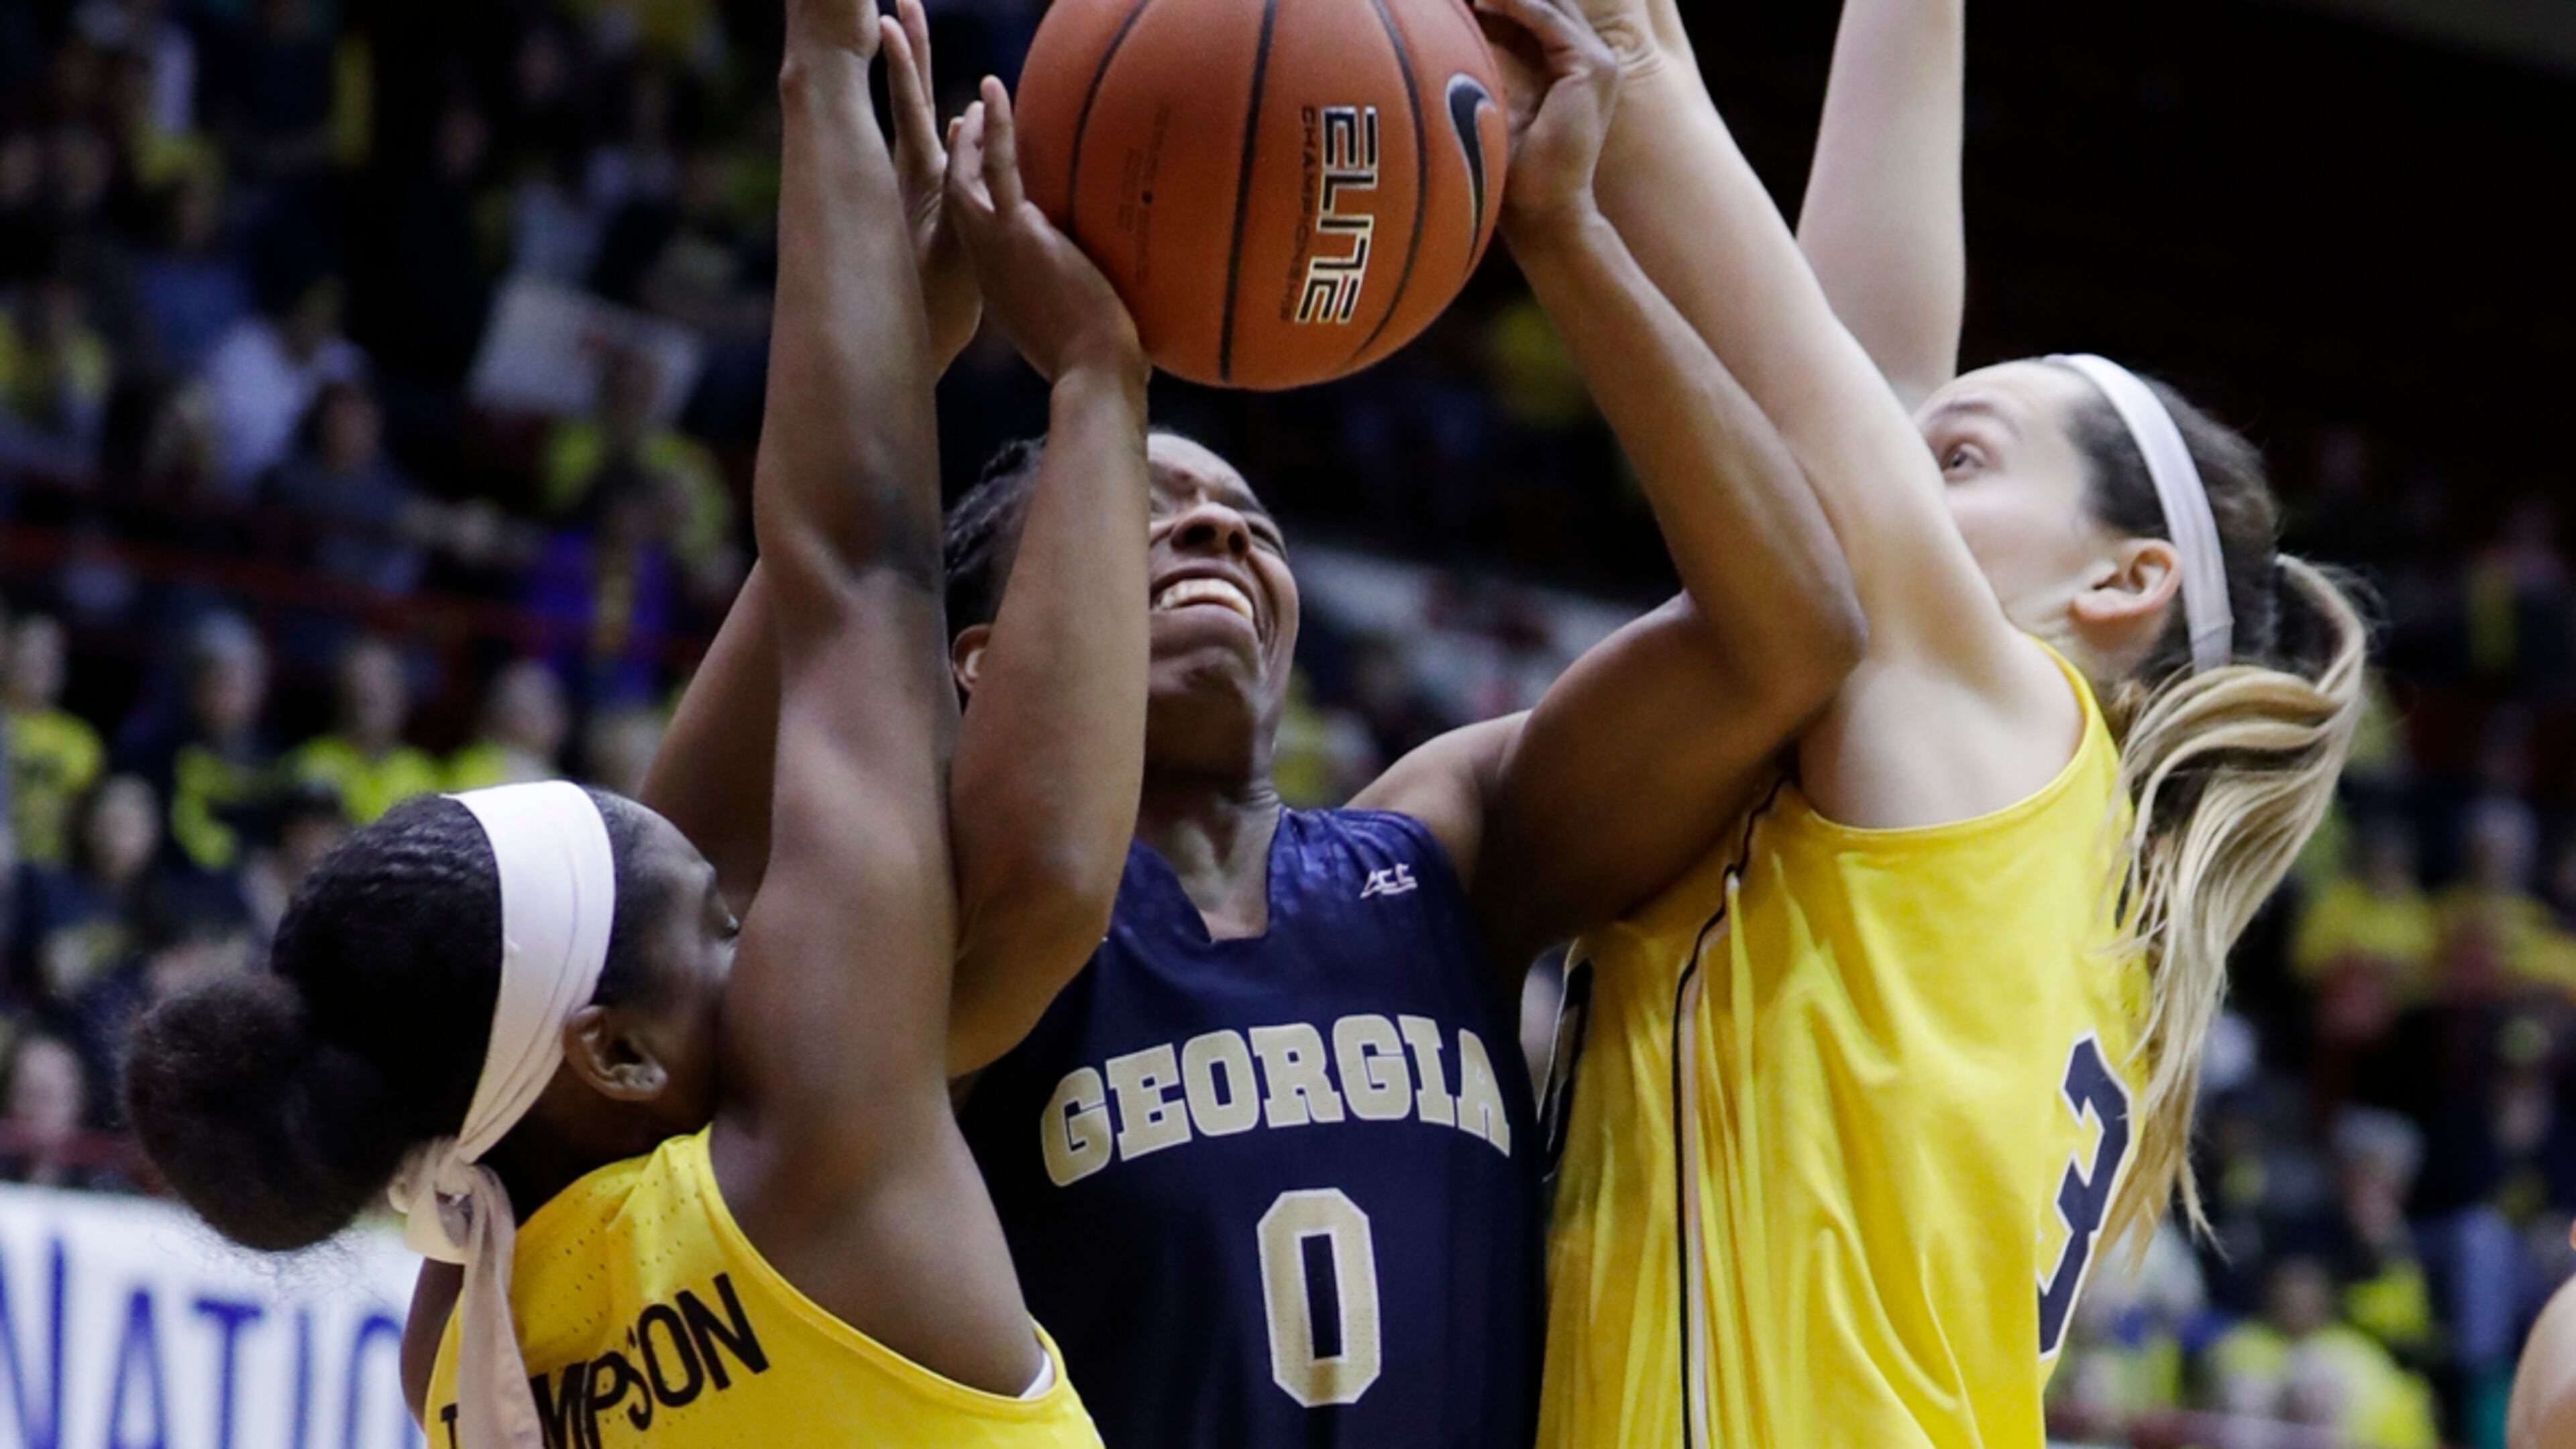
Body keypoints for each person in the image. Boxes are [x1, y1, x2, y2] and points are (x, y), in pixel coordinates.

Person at [123, 1, 1148, 1444]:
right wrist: (825, 64)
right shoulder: (805, 1175)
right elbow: (855, 572)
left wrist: (887, 337)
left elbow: (795, 648)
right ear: (611, 1054)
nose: (758, 918)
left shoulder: (468, 1325)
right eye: (722, 927)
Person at [1524, 0, 2371, 1442]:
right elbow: (1863, 383)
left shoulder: (2003, 732)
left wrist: (1618, 50)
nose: (1908, 472)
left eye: (1963, 462)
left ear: (2123, 579)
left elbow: (1809, 383)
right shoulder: (2028, 854)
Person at [286, 635, 443, 824]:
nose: (369, 694)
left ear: (402, 698)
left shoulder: (420, 772)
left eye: (382, 686)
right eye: (361, 686)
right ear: (342, 694)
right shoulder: (316, 764)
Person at [4, 614, 105, 869]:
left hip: (55, 870)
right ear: (7, 659)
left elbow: (89, 818)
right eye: (29, 655)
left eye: (49, 659)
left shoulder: (80, 740)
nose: (39, 667)